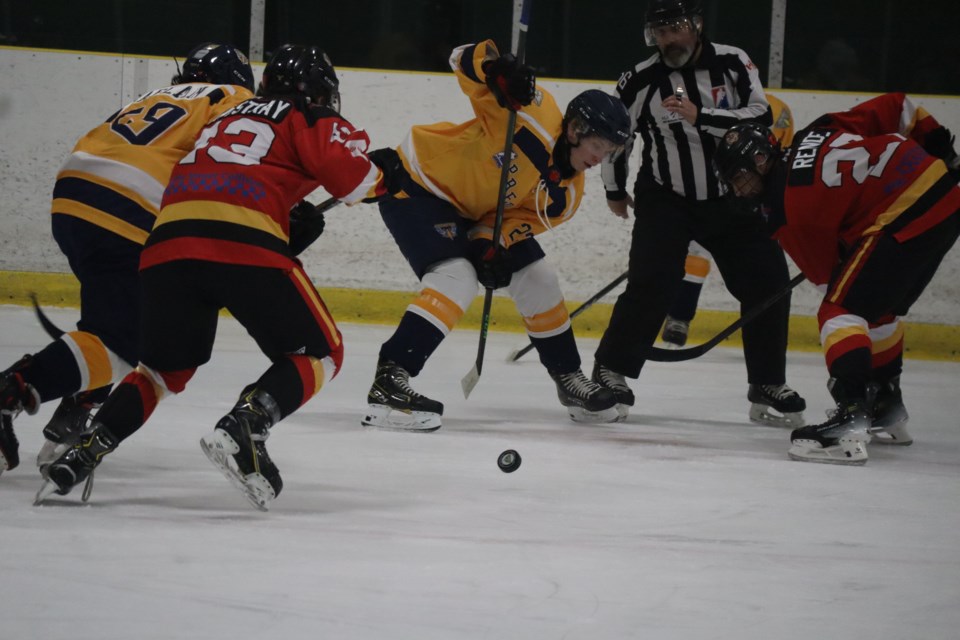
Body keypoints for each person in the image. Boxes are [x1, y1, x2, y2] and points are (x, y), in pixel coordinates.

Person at [36, 44, 389, 509]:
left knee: (162, 370)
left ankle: (84, 452)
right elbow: (359, 183)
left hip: (165, 243)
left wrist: (283, 217)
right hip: (242, 238)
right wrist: (391, 175)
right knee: (323, 351)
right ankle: (248, 422)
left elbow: (233, 172)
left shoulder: (221, 119)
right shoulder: (305, 113)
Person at [0, 43, 256, 477]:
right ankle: (18, 387)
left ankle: (84, 394)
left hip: (73, 196)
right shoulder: (232, 98)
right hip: (130, 208)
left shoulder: (153, 96)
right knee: (126, 341)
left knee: (113, 322)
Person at [360, 39, 631, 432]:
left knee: (539, 276)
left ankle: (569, 380)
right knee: (456, 275)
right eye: (597, 145)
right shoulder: (531, 112)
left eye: (608, 152)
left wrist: (489, 243)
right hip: (419, 184)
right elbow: (459, 58)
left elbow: (506, 223)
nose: (599, 158)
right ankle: (391, 378)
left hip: (473, 211)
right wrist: (496, 70)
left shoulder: (565, 199)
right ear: (575, 129)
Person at [591, 0, 806, 427]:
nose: (668, 39)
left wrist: (702, 115)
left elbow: (762, 116)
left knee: (767, 283)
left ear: (697, 25)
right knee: (651, 285)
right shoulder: (640, 80)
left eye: (675, 28)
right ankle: (610, 370)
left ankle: (766, 382)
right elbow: (619, 136)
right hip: (666, 198)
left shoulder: (732, 61)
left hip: (733, 198)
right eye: (660, 31)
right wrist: (614, 190)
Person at [713, 93, 960, 465]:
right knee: (878, 309)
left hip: (903, 210)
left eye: (739, 177)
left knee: (840, 310)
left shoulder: (787, 213)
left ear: (761, 160)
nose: (738, 190)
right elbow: (896, 105)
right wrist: (940, 146)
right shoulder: (816, 132)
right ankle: (887, 407)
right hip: (947, 198)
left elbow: (831, 286)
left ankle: (851, 415)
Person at [661, 93, 795, 348]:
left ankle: (681, 317)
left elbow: (780, 159)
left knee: (764, 270)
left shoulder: (778, 111)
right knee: (697, 248)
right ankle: (679, 316)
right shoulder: (721, 100)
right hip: (718, 191)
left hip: (759, 194)